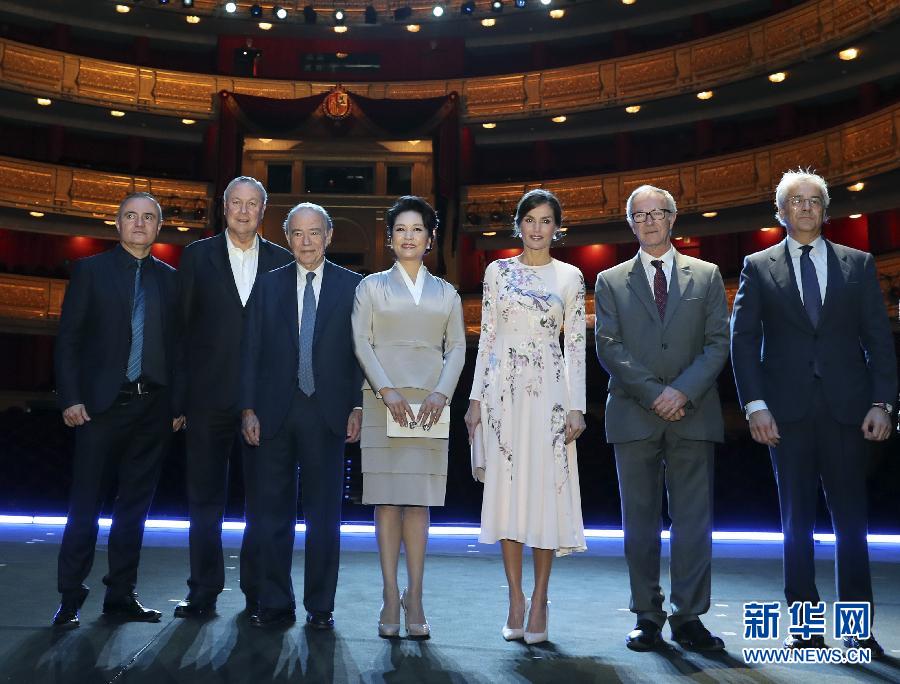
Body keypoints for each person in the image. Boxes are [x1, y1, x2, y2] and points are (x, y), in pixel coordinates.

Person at [730, 169, 897, 657]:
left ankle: (856, 629)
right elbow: (744, 343)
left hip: (850, 411)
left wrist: (883, 403)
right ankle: (804, 627)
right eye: (796, 201)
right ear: (781, 212)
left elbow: (879, 341)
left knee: (852, 526)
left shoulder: (858, 263)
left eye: (814, 200)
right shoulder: (757, 266)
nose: (805, 208)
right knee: (795, 524)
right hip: (785, 415)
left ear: (825, 210)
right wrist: (755, 406)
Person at [594, 184, 729, 652]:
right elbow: (608, 347)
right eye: (640, 215)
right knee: (640, 522)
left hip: (694, 412)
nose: (649, 221)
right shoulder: (610, 280)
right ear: (630, 223)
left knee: (693, 521)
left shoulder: (707, 275)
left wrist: (682, 391)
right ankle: (647, 615)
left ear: (673, 218)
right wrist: (656, 394)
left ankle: (689, 617)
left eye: (658, 213)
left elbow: (718, 342)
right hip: (634, 413)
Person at [52, 192, 184, 628]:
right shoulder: (90, 271)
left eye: (148, 217)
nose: (139, 224)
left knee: (134, 511)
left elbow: (180, 349)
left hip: (154, 410)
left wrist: (178, 403)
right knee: (85, 506)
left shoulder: (171, 280)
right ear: (117, 223)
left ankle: (121, 596)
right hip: (99, 409)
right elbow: (69, 340)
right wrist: (71, 397)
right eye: (131, 216)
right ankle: (70, 597)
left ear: (159, 227)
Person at [464, 189, 587, 646]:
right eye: (530, 220)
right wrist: (475, 399)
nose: (537, 228)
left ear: (557, 227)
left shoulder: (571, 276)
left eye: (546, 220)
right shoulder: (497, 272)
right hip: (502, 396)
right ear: (518, 225)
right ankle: (515, 598)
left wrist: (577, 406)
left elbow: (575, 346)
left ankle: (540, 600)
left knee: (544, 495)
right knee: (509, 496)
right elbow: (487, 337)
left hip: (550, 395)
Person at [240, 202, 363, 629]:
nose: (306, 241)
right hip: (273, 413)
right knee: (271, 515)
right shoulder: (267, 285)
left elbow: (360, 353)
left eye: (314, 232)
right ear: (287, 238)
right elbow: (250, 350)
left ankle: (320, 607)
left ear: (329, 236)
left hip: (328, 414)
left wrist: (358, 405)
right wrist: (248, 408)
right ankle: (275, 602)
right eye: (297, 233)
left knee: (324, 518)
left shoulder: (354, 286)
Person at [175, 176, 293, 619]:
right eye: (236, 203)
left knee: (262, 503)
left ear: (264, 211)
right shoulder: (196, 256)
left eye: (252, 204)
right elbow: (181, 331)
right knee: (204, 501)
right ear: (223, 208)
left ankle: (256, 591)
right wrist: (179, 401)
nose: (244, 211)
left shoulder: (282, 261)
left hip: (263, 403)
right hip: (207, 400)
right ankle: (202, 590)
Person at [351, 196, 466, 639]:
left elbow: (457, 348)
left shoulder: (447, 292)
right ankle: (388, 594)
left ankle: (414, 595)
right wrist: (386, 389)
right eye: (400, 229)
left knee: (419, 503)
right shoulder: (370, 287)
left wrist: (442, 392)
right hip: (383, 402)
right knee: (386, 502)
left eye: (417, 229)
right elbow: (361, 343)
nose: (409, 236)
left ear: (430, 238)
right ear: (389, 238)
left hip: (431, 406)